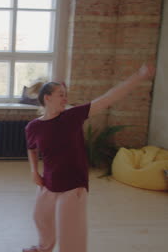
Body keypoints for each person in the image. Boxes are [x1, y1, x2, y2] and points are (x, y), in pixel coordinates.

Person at [22, 63, 155, 252]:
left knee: (70, 233)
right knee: (40, 217)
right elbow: (31, 148)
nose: (65, 98)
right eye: (61, 94)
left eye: (65, 94)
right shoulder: (33, 127)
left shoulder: (72, 116)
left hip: (73, 185)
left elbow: (108, 98)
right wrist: (34, 171)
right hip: (48, 183)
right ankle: (43, 248)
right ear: (47, 98)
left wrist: (139, 77)